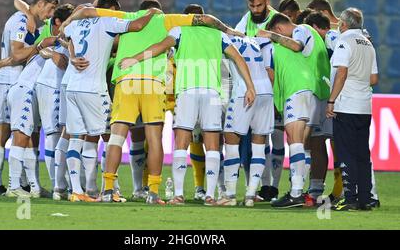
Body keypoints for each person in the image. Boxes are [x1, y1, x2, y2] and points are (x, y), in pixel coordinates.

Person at [61, 0, 245, 205]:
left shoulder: (125, 17)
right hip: (152, 82)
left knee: (116, 137)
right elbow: (207, 19)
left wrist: (67, 22)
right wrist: (229, 30)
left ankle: (108, 190)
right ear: (157, 11)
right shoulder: (165, 19)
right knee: (154, 137)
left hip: (125, 80)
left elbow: (85, 10)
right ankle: (154, 192)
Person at [119, 13, 256, 206]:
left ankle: (179, 195)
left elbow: (159, 48)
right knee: (212, 144)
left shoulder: (179, 31)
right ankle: (209, 195)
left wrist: (135, 59)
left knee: (182, 142)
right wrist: (251, 87)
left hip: (187, 91)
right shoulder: (219, 35)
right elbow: (238, 59)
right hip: (212, 93)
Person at [0, 0, 59, 196]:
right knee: (5, 130)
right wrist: (38, 46)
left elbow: (18, 1)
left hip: (22, 80)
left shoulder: (31, 21)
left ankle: (31, 184)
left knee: (29, 133)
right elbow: (18, 52)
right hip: (9, 81)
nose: (51, 14)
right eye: (51, 8)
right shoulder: (20, 21)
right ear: (41, 3)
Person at [257, 15, 319, 208]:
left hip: (296, 90)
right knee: (300, 142)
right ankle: (300, 191)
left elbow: (271, 74)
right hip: (309, 90)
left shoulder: (276, 43)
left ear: (277, 29)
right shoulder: (290, 47)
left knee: (294, 140)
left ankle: (296, 193)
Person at [327, 8, 378, 211]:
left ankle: (350, 198)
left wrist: (331, 101)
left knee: (346, 152)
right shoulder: (368, 44)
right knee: (362, 154)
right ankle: (365, 198)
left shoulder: (344, 41)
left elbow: (341, 73)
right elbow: (374, 79)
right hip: (365, 106)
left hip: (346, 105)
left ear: (344, 24)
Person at [219, 36, 274, 207]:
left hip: (244, 92)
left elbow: (223, 76)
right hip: (266, 91)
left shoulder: (222, 41)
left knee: (231, 143)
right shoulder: (254, 41)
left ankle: (229, 194)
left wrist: (222, 103)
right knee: (259, 145)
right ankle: (250, 195)